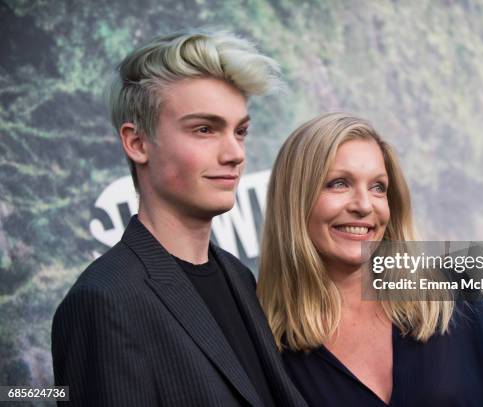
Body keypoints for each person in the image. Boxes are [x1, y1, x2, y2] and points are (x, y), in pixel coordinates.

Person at [52, 29, 306, 407]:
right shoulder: (104, 300)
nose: (234, 152)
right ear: (137, 143)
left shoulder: (238, 276)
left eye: (240, 131)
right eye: (204, 129)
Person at [257, 112, 483, 406]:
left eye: (378, 187)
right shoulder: (268, 344)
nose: (364, 205)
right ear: (294, 200)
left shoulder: (453, 291)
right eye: (339, 183)